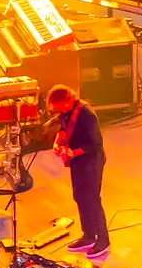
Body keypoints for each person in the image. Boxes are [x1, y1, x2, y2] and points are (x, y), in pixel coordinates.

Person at [44, 83, 108, 258]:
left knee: (92, 199)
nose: (57, 111)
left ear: (67, 100)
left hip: (91, 161)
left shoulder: (86, 115)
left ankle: (103, 240)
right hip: (78, 162)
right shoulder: (67, 112)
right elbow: (63, 130)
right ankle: (88, 235)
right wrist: (58, 143)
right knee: (79, 197)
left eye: (58, 107)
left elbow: (95, 145)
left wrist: (73, 151)